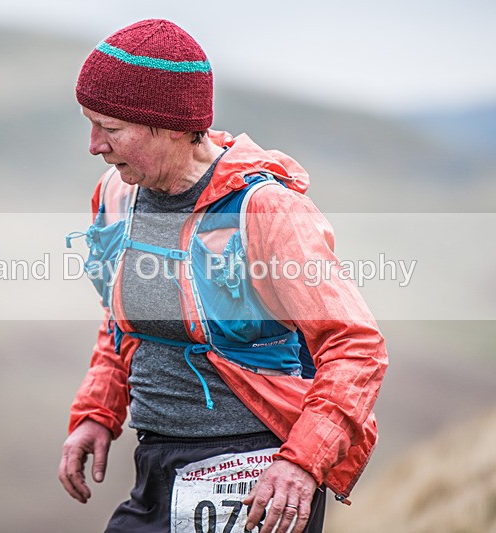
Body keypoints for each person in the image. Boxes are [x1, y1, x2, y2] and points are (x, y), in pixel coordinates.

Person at [59, 19, 388, 533]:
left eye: (110, 127)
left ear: (170, 125)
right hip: (157, 466)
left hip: (255, 470)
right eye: (89, 122)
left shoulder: (267, 211)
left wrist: (301, 463)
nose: (94, 144)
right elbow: (120, 322)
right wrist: (98, 411)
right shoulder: (116, 194)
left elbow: (356, 347)